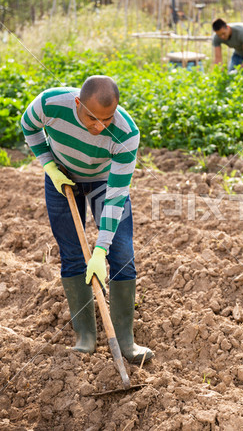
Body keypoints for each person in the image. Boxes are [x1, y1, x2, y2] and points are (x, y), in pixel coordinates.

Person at [21, 76, 154, 364]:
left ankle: (126, 342)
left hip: (103, 182)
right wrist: (49, 166)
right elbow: (28, 126)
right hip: (61, 178)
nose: (100, 127)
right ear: (78, 103)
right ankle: (86, 338)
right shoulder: (50, 104)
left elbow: (117, 196)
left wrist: (100, 249)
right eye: (93, 119)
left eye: (107, 119)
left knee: (122, 253)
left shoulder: (126, 134)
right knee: (72, 255)